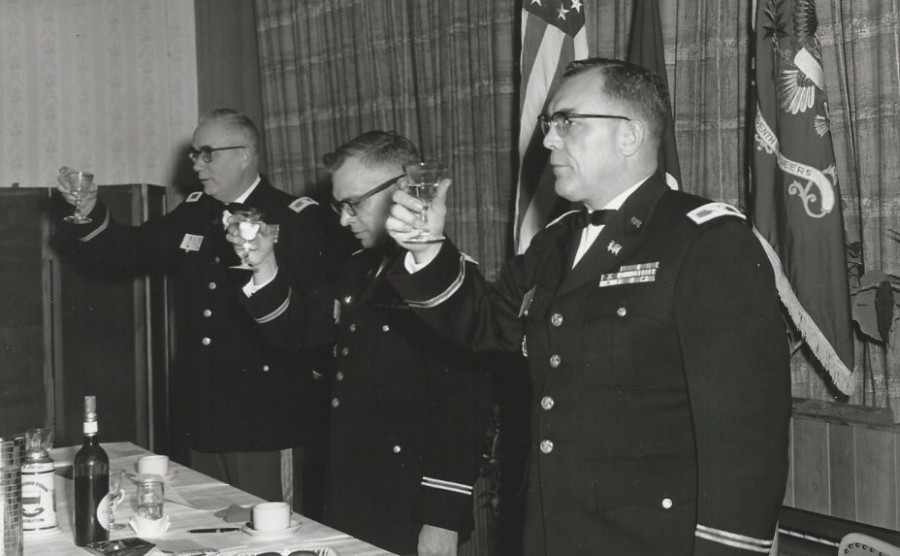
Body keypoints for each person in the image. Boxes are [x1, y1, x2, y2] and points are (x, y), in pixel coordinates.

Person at [385, 58, 792, 555]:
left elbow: (747, 434)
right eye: (549, 123)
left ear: (630, 135)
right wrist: (427, 248)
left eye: (568, 122)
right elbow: (489, 324)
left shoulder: (706, 241)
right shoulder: (557, 240)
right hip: (554, 532)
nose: (548, 140)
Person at [228, 130, 491, 556]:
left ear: (402, 191)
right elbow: (300, 331)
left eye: (353, 203)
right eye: (340, 205)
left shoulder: (449, 282)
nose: (343, 219)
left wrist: (441, 520)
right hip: (351, 490)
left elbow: (463, 412)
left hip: (409, 504)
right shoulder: (359, 269)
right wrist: (264, 264)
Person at [53, 108, 333, 509]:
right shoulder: (195, 211)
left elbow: (317, 326)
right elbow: (126, 251)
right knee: (208, 527)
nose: (197, 165)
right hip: (203, 416)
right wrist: (88, 210)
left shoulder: (296, 218)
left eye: (207, 154)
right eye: (194, 155)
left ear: (245, 155)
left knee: (271, 529)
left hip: (266, 422)